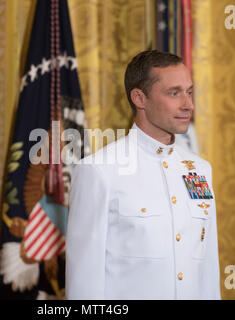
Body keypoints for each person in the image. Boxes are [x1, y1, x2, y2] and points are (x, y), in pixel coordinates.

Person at [65, 50, 221, 300]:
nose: (188, 104)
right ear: (139, 98)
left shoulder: (200, 170)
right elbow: (84, 281)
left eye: (189, 92)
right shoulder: (99, 170)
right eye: (174, 93)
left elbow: (208, 270)